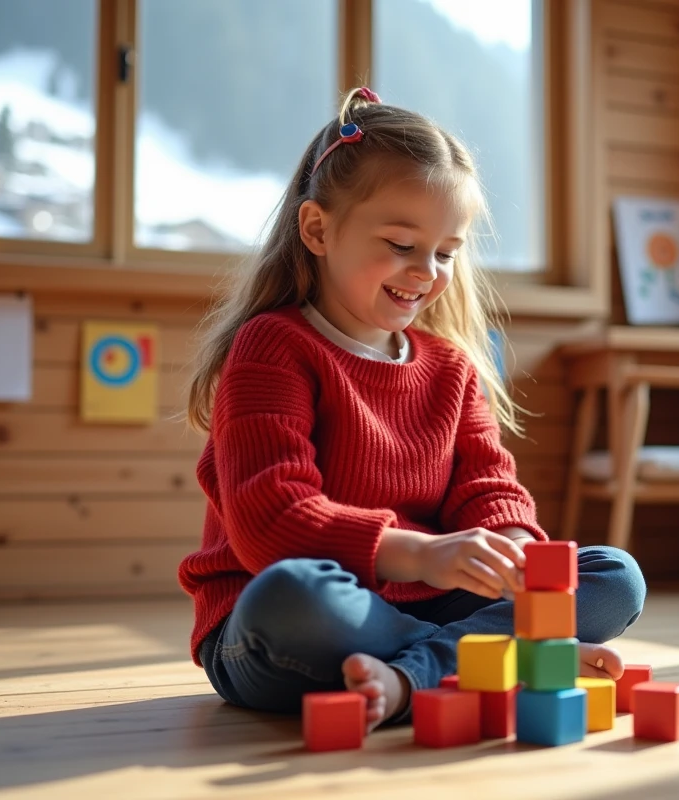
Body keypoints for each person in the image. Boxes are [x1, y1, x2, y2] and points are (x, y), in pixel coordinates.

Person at [178, 87, 646, 730]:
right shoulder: (273, 346)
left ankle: (414, 676)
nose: (427, 271)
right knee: (295, 597)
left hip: (421, 611)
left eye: (447, 253)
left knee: (614, 576)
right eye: (401, 244)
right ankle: (492, 661)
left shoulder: (450, 367)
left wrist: (510, 555)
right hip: (279, 628)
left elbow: (490, 488)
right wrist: (425, 556)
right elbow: (272, 523)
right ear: (317, 228)